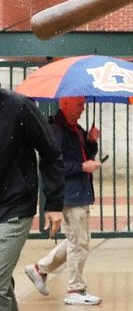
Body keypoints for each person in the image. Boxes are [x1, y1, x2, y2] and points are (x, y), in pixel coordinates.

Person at [25, 97, 99, 306]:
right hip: (69, 194)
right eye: (79, 105)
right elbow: (54, 164)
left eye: (84, 105)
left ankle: (39, 269)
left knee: (76, 241)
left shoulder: (75, 129)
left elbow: (85, 154)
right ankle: (75, 288)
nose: (82, 109)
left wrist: (92, 141)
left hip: (79, 192)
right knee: (79, 243)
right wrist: (82, 167)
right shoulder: (57, 130)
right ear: (64, 103)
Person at [0, 88, 63, 311]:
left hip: (15, 207)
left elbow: (51, 153)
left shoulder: (19, 106)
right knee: (2, 283)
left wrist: (54, 203)